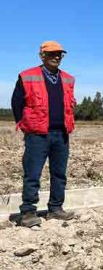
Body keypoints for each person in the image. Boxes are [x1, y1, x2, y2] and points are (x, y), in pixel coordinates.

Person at [11, 41, 77, 227]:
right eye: (52, 54)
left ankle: (55, 209)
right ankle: (28, 212)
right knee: (32, 174)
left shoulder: (68, 79)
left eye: (59, 54)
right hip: (37, 134)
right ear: (42, 56)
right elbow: (17, 103)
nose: (56, 57)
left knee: (59, 174)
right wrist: (24, 125)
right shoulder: (27, 76)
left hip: (61, 134)